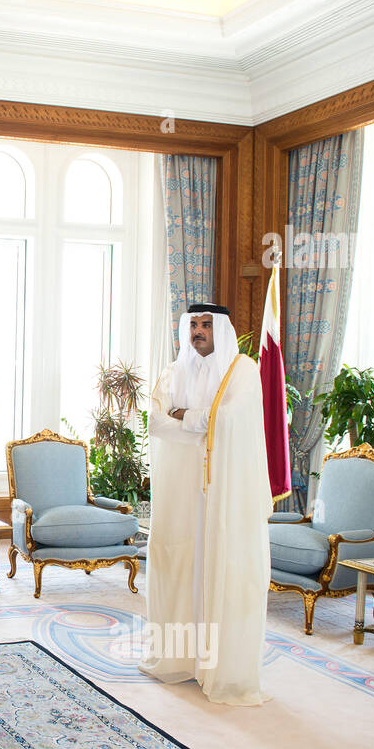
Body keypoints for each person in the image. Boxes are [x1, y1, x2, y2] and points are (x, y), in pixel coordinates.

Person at [138, 303, 273, 706]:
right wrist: (201, 421)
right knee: (178, 563)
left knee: (221, 568)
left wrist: (188, 417)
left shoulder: (242, 370)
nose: (197, 331)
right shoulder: (172, 372)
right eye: (193, 324)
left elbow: (231, 419)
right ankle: (180, 658)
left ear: (221, 330)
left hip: (224, 492)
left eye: (205, 325)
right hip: (180, 490)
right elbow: (157, 423)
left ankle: (220, 666)